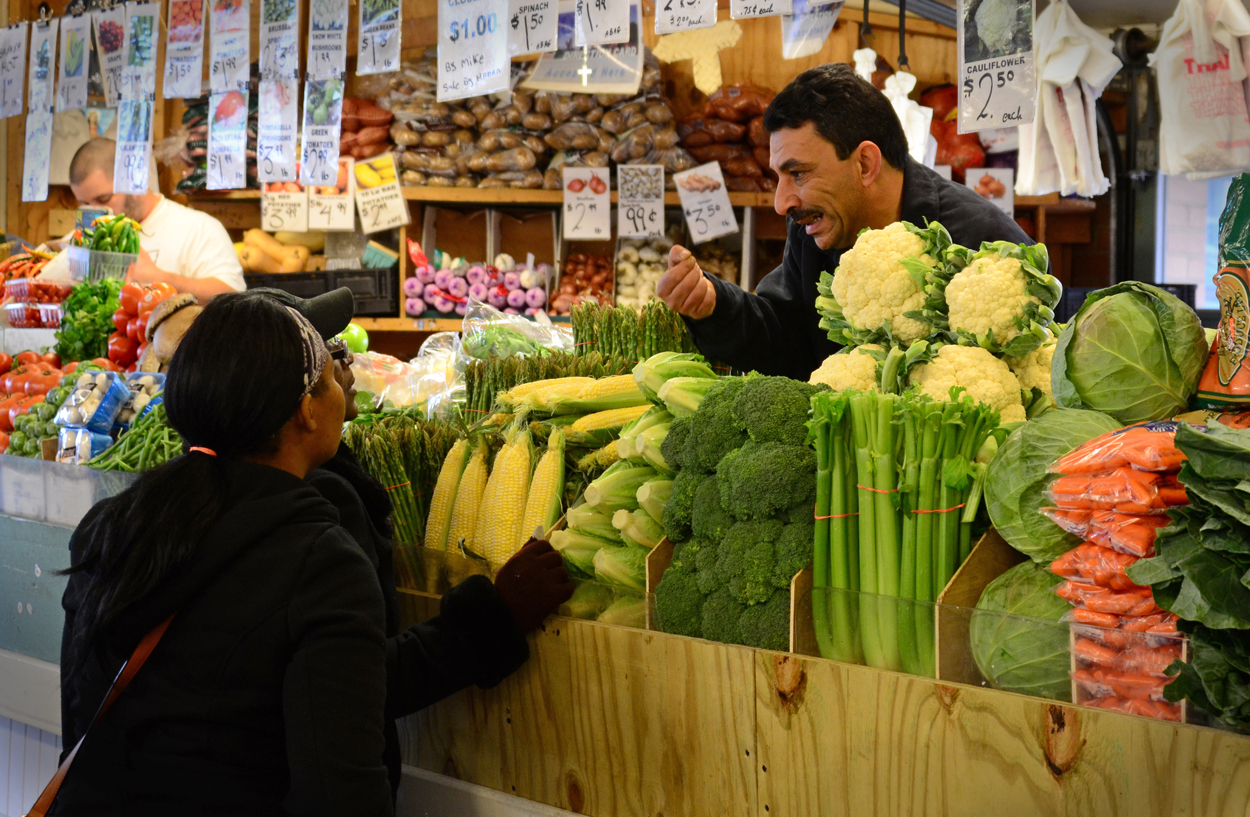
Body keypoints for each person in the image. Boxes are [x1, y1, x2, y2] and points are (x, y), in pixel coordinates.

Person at [56, 293, 393, 816]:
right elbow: (340, 794)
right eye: (328, 378)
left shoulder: (111, 526)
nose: (339, 388)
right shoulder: (322, 563)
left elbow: (79, 725)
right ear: (306, 410)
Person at [252, 287, 574, 796]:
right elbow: (360, 684)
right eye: (334, 360)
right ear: (302, 410)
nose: (349, 371)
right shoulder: (315, 515)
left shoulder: (233, 500)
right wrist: (498, 613)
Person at [657, 64, 1031, 380]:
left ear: (865, 164)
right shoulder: (815, 226)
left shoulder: (984, 242)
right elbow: (788, 340)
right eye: (779, 178)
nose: (780, 202)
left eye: (798, 174)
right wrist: (714, 306)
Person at [66, 138, 246, 300]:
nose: (97, 213)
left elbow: (233, 297)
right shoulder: (85, 235)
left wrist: (160, 279)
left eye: (104, 199)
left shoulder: (199, 228)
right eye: (85, 204)